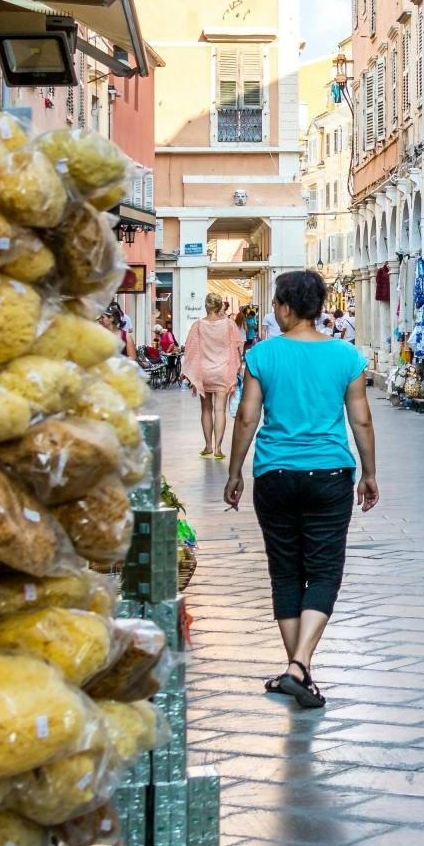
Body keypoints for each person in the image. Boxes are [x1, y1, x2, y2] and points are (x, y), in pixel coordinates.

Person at [225, 268, 379, 710]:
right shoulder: (346, 357)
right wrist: (369, 472)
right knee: (324, 570)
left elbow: (247, 418)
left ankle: (296, 667)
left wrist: (236, 472)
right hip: (330, 474)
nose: (274, 309)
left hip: (274, 475)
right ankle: (300, 667)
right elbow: (361, 419)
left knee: (286, 571)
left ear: (288, 307)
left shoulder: (262, 355)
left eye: (276, 303)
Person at [181, 294, 244, 458]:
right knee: (220, 409)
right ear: (219, 306)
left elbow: (190, 349)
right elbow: (238, 347)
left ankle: (208, 446)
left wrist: (188, 371)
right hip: (223, 371)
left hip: (204, 372)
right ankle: (218, 448)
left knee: (206, 409)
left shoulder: (198, 325)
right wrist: (236, 366)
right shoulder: (229, 325)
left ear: (206, 306)